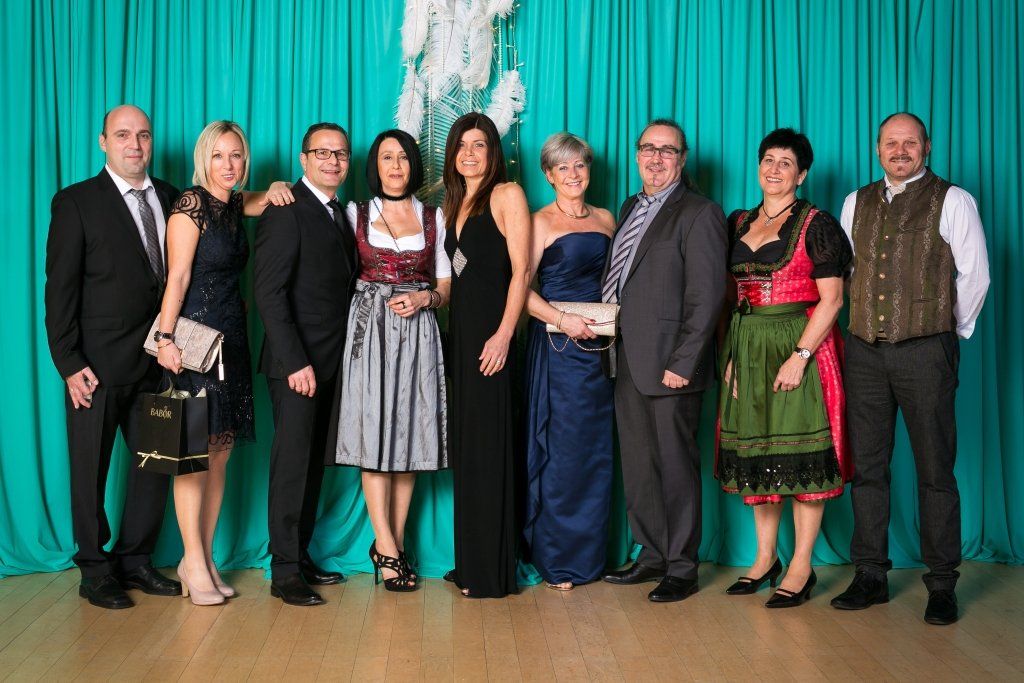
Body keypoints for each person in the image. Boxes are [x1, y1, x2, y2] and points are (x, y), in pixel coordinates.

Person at [831, 113, 990, 625]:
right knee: (868, 468)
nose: (900, 151)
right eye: (891, 143)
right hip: (864, 352)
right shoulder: (855, 201)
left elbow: (976, 274)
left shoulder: (953, 200)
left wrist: (945, 331)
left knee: (935, 470)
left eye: (910, 142)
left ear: (927, 146)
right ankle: (870, 574)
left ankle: (942, 583)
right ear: (877, 149)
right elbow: (846, 272)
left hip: (926, 352)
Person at [44, 104, 182, 609]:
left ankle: (136, 560)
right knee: (89, 470)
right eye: (123, 135)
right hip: (95, 367)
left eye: (143, 135)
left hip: (160, 361)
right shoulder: (76, 202)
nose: (134, 145)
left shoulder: (172, 197)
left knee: (156, 466)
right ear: (103, 141)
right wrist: (68, 362)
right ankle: (94, 567)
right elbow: (59, 289)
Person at [155, 121, 293, 605]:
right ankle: (192, 561)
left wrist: (277, 187)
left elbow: (262, 199)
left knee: (220, 451)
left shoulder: (233, 204)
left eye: (236, 155)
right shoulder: (190, 206)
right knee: (192, 457)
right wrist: (165, 339)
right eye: (219, 155)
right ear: (204, 159)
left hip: (230, 341)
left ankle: (204, 558)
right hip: (192, 343)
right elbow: (177, 278)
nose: (229, 164)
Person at [715, 128, 852, 607]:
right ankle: (764, 558)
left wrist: (801, 356)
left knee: (802, 454)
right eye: (768, 160)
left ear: (802, 174)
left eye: (786, 163)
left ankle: (801, 566)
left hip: (799, 342)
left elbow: (832, 300)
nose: (774, 169)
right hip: (747, 345)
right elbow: (728, 298)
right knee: (759, 453)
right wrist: (730, 358)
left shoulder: (817, 224)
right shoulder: (737, 222)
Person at [600, 118, 727, 603]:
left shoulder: (700, 212)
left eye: (667, 151)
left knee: (675, 466)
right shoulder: (630, 206)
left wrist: (685, 361)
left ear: (682, 159)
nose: (656, 158)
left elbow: (706, 296)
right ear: (637, 155)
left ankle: (682, 567)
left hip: (672, 364)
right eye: (648, 149)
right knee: (639, 465)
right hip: (626, 357)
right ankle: (651, 554)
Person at [334, 129, 451, 592]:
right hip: (369, 331)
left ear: (413, 164)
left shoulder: (434, 217)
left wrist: (425, 298)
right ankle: (384, 545)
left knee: (409, 436)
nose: (396, 166)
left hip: (418, 330)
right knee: (373, 431)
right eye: (387, 158)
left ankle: (393, 546)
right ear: (375, 165)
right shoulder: (354, 213)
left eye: (403, 157)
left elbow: (445, 286)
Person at [254, 122, 359, 606]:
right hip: (295, 365)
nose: (333, 161)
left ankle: (300, 554)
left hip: (332, 362)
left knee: (314, 464)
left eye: (340, 154)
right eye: (323, 153)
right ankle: (284, 571)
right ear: (303, 159)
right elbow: (269, 294)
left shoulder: (340, 213)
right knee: (292, 465)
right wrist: (295, 361)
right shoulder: (286, 210)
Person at [441, 112, 530, 598]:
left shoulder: (506, 194)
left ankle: (491, 572)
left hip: (492, 340)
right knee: (469, 448)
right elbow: (458, 278)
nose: (469, 153)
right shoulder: (456, 202)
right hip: (461, 339)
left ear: (493, 151)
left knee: (490, 449)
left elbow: (522, 271)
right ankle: (469, 562)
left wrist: (503, 335)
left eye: (479, 144)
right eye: (462, 145)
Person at [522, 132, 615, 591]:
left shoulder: (607, 218)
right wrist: (562, 320)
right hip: (559, 352)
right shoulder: (538, 222)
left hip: (602, 351)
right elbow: (519, 290)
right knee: (563, 453)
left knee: (596, 454)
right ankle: (558, 560)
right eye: (563, 167)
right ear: (548, 175)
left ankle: (590, 558)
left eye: (579, 165)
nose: (573, 174)